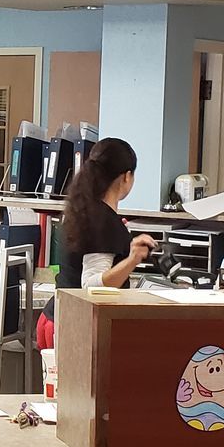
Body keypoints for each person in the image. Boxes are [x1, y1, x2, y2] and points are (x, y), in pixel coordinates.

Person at [38, 138, 158, 349]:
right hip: (74, 326)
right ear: (126, 177)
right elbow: (91, 286)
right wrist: (133, 259)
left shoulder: (80, 209)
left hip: (56, 317)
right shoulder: (102, 221)